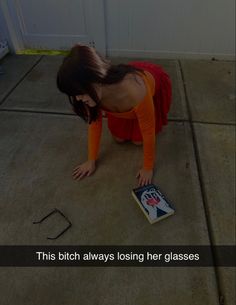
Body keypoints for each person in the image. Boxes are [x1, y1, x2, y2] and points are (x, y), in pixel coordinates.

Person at [57, 44, 172, 186]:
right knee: (118, 139)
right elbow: (94, 124)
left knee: (138, 142)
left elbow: (148, 132)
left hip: (148, 79)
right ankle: (132, 118)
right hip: (116, 90)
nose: (78, 99)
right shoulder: (90, 94)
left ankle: (136, 117)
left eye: (79, 93)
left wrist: (148, 167)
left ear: (95, 80)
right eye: (74, 94)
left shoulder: (136, 91)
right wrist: (91, 160)